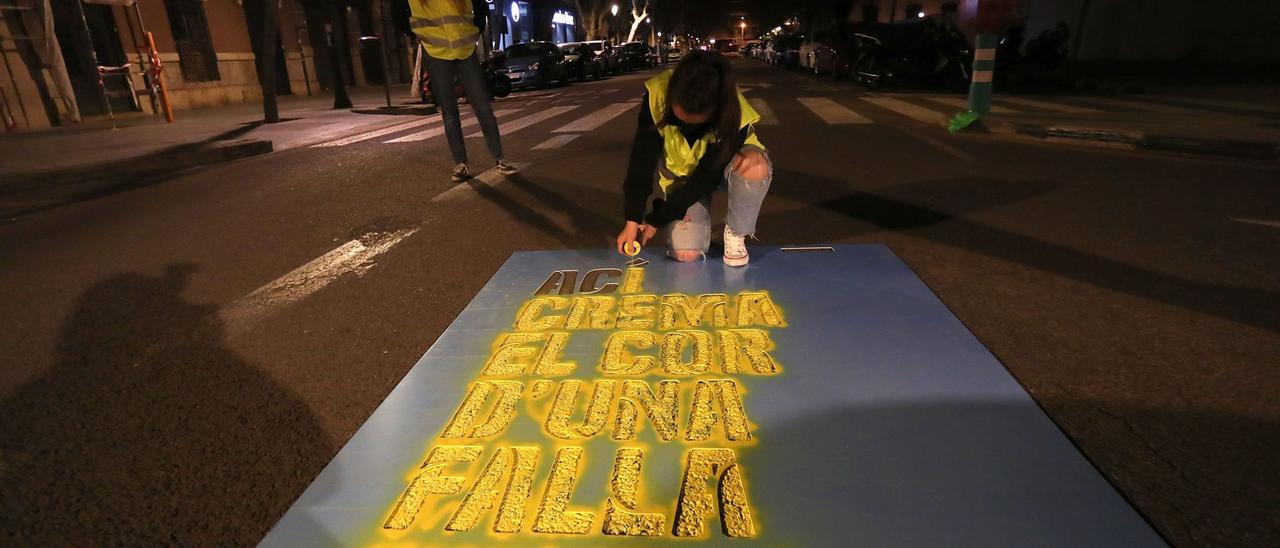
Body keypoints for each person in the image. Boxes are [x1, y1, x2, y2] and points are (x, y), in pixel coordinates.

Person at [615, 50, 771, 267]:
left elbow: (707, 176)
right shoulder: (656, 94)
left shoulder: (733, 111)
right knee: (687, 253)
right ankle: (694, 219)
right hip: (682, 180)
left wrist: (658, 219)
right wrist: (632, 220)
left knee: (754, 165)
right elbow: (642, 161)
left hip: (720, 169)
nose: (686, 127)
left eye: (696, 122)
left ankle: (736, 231)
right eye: (679, 118)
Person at [408, 0, 517, 181]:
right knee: (449, 111)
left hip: (465, 49)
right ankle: (461, 164)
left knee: (483, 107)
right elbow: (397, 12)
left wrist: (476, 31)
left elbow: (480, 6)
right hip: (435, 51)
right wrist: (415, 34)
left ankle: (499, 159)